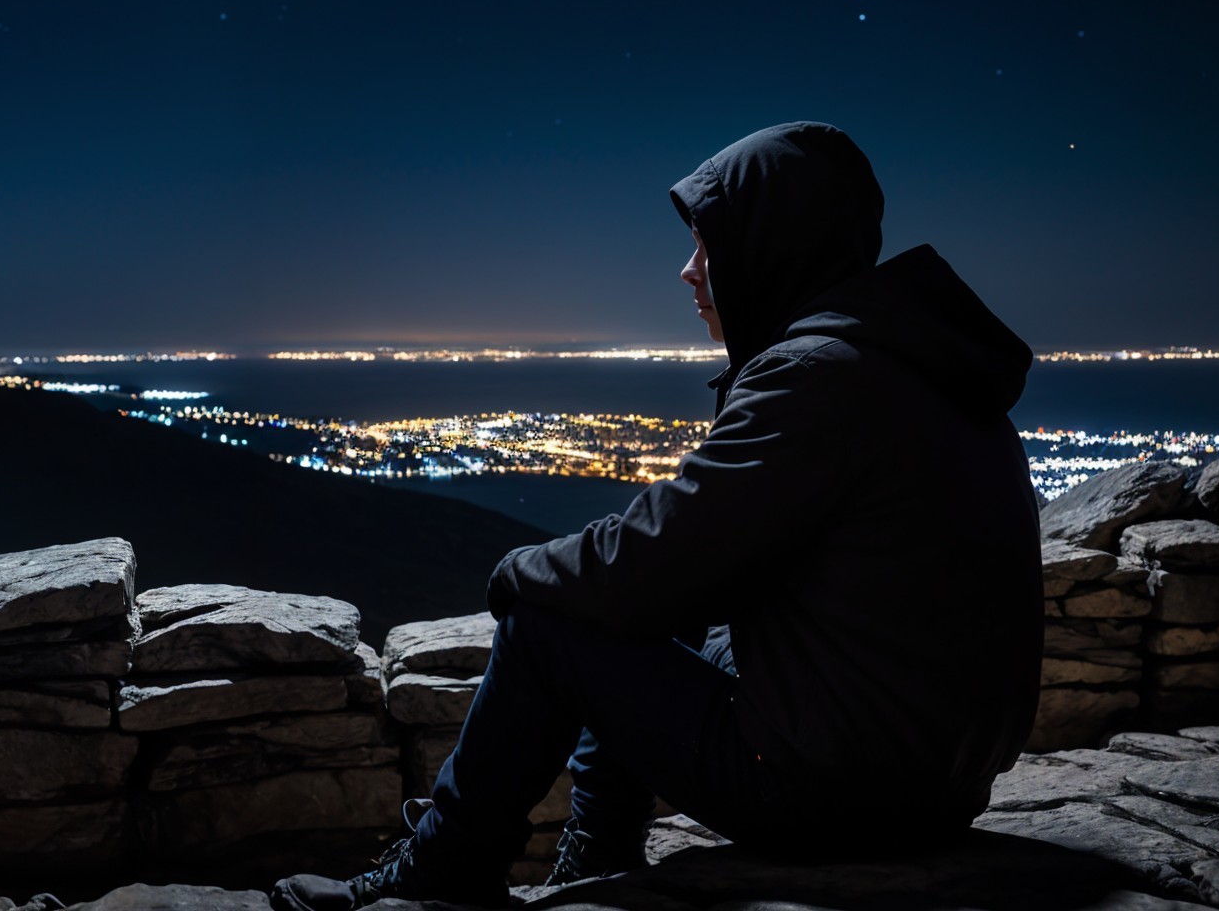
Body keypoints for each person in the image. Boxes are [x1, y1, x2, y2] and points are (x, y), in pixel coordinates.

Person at [270, 121, 1044, 910]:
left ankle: (441, 874)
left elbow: (651, 562)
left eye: (710, 245)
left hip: (835, 797)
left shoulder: (817, 379)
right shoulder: (926, 369)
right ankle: (601, 850)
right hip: (937, 784)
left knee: (548, 623)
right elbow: (695, 561)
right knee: (649, 605)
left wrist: (515, 572)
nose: (688, 271)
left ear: (775, 246)